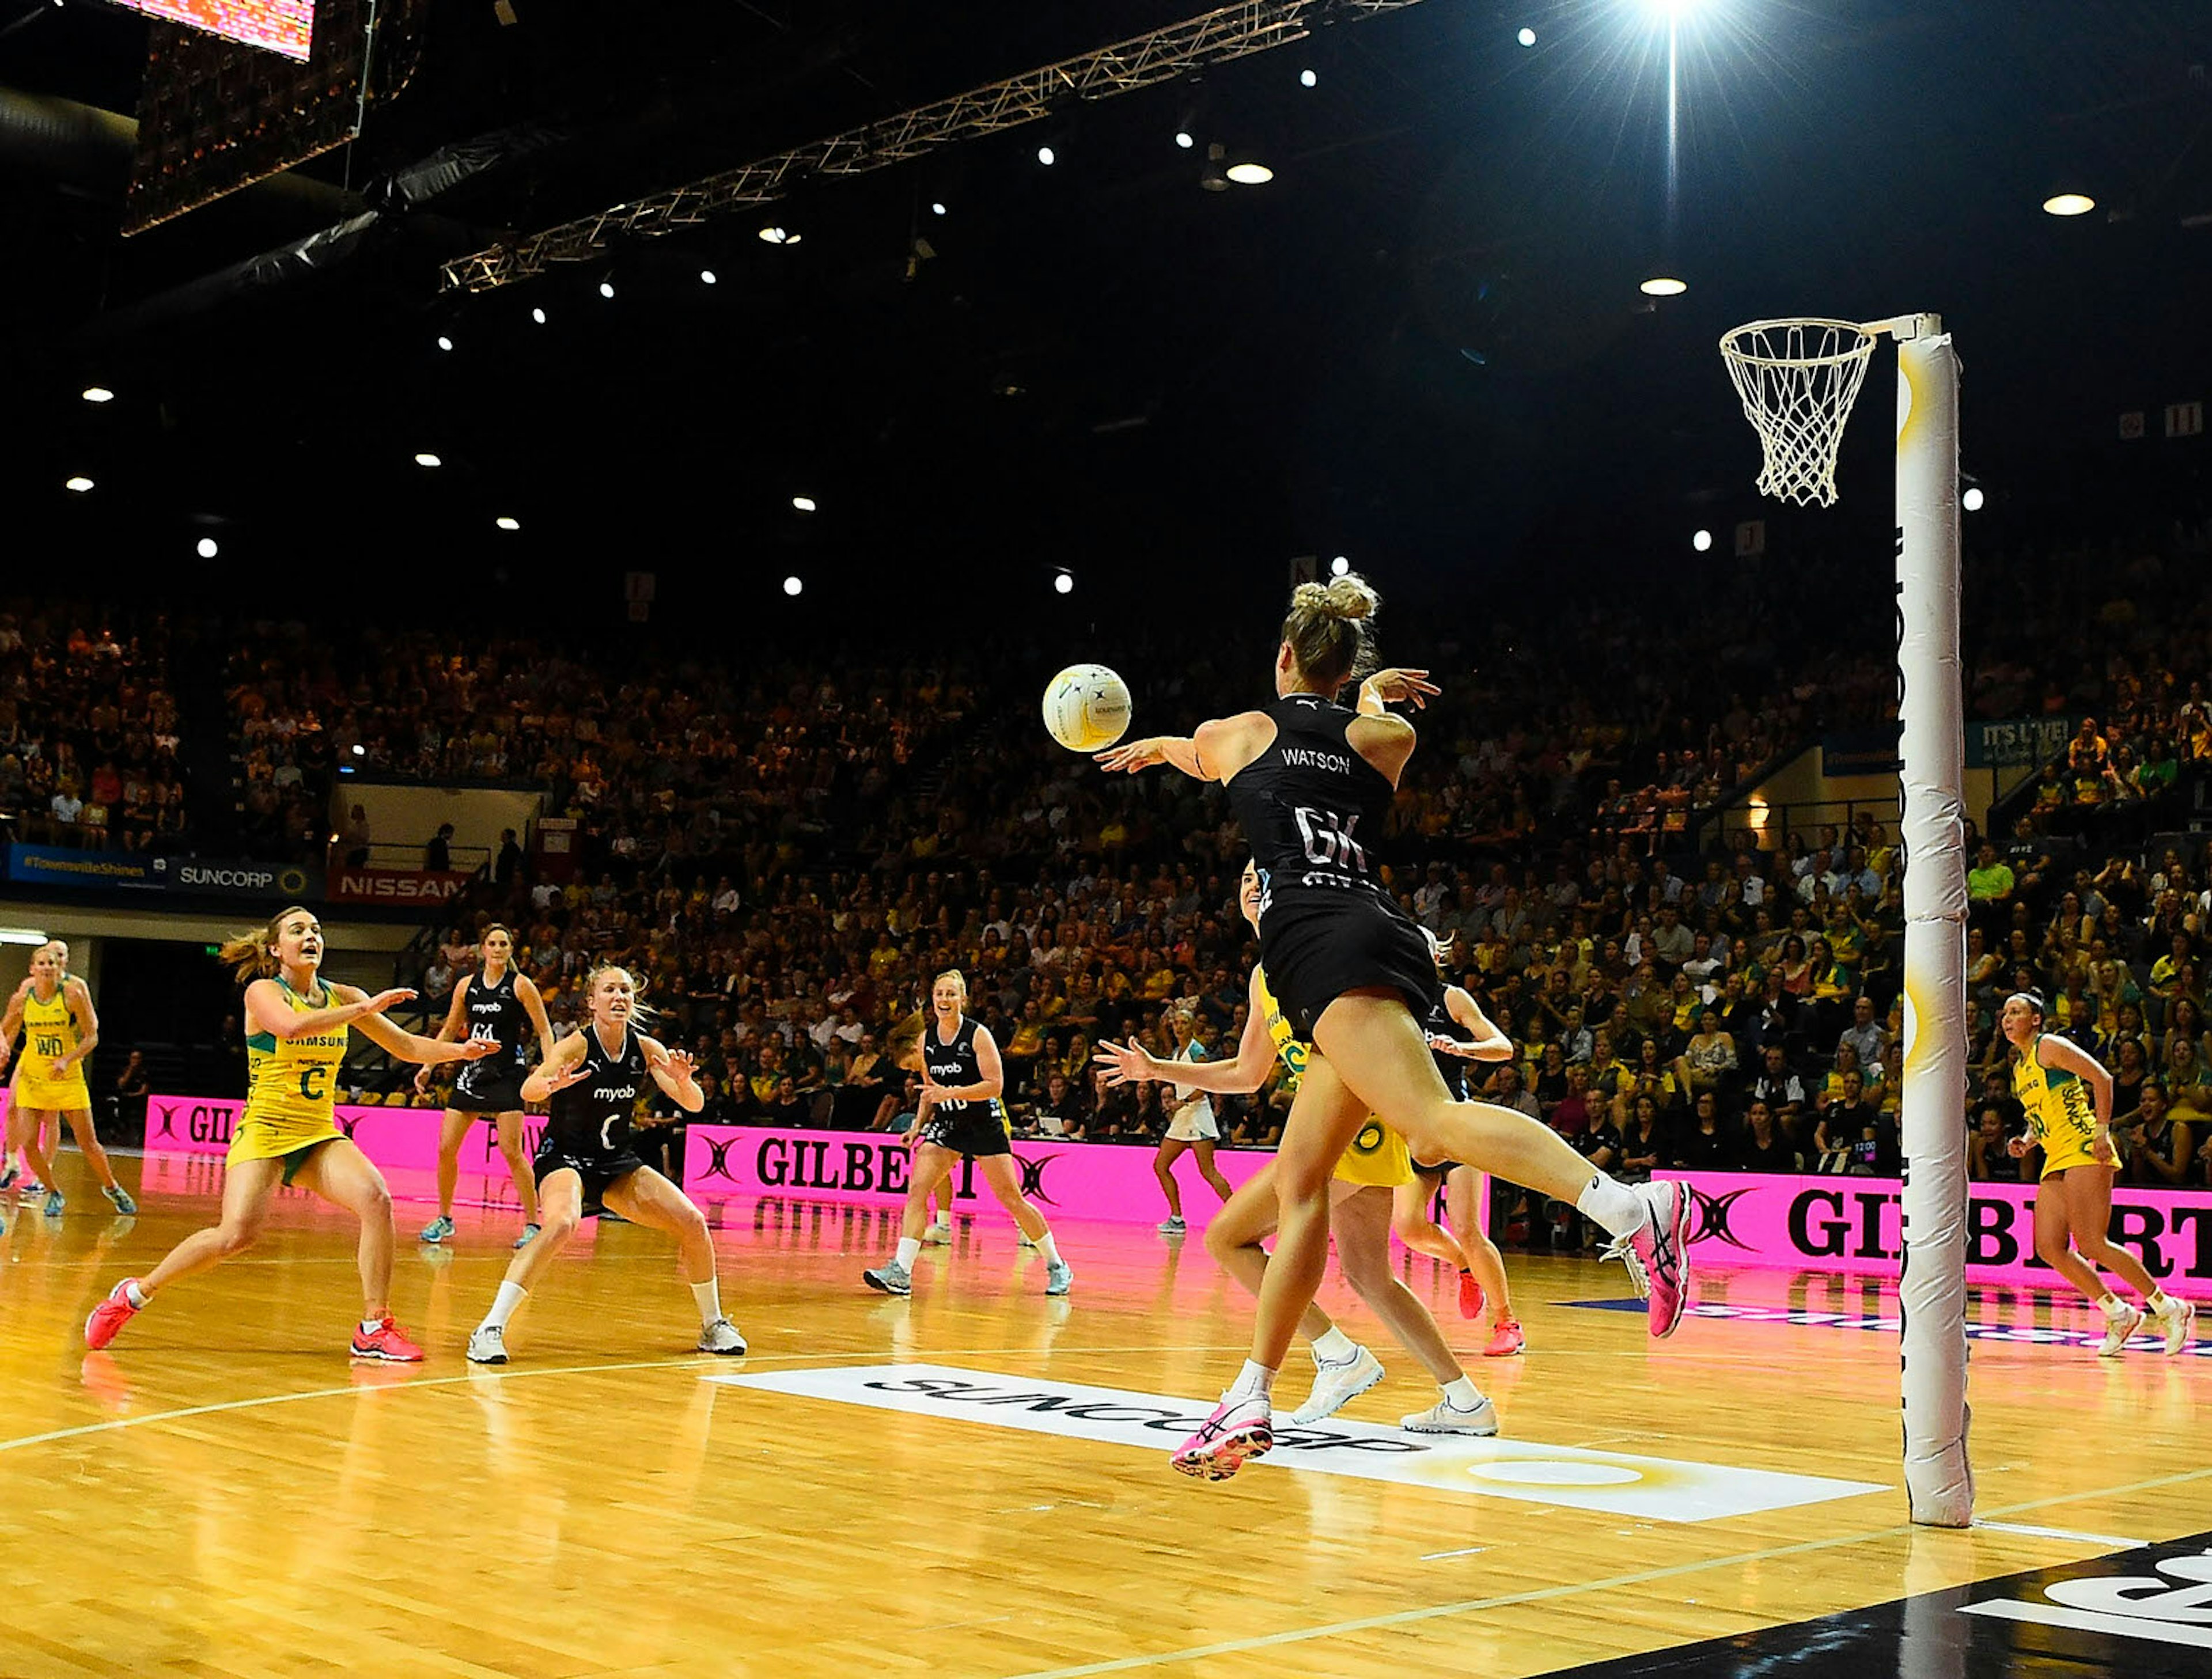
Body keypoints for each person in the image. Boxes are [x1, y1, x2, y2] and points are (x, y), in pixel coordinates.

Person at [1097, 574, 1687, 1480]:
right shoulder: (1386, 736)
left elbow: (1196, 751)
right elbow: (1348, 731)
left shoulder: (1238, 733)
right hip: (1380, 925)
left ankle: (1633, 1205)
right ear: (1349, 668)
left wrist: (1154, 746)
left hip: (1315, 941)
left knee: (1432, 1124)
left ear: (1285, 655)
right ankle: (1253, 1392)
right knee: (1298, 1186)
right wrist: (1366, 695)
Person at [1097, 862, 1505, 1441]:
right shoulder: (1268, 971)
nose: (1250, 883)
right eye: (1241, 877)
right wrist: (1157, 1068)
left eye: (1261, 874)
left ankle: (1337, 1355)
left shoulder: (1315, 951)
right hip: (1365, 1129)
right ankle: (1465, 1400)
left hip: (1352, 1125)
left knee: (1227, 1236)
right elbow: (1246, 1072)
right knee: (1369, 1275)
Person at [85, 906, 501, 1359]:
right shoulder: (263, 992)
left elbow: (404, 1045)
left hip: (316, 1132)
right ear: (275, 948)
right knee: (235, 1235)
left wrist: (458, 1049)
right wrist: (362, 1008)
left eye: (317, 930)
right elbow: (290, 1026)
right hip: (264, 1131)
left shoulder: (341, 995)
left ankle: (373, 1327)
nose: (311, 936)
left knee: (376, 1198)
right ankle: (134, 1295)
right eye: (298, 930)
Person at [465, 964, 744, 1363]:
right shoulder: (576, 1046)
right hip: (565, 1157)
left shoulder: (646, 1047)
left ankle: (714, 1325)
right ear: (592, 1002)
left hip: (616, 1163)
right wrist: (551, 1085)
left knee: (693, 1221)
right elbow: (528, 1088)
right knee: (562, 1223)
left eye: (626, 990)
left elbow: (694, 1103)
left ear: (634, 1000)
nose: (619, 996)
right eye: (610, 989)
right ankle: (489, 1329)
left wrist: (683, 1081)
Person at [2001, 990, 2195, 1356]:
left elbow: (2102, 1078)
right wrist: (2027, 1140)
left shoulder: (2050, 1046)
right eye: (2005, 1014)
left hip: (2085, 1146)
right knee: (2049, 1246)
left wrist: (2102, 1130)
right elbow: (2039, 1114)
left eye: (2016, 1012)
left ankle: (2168, 1306)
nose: (2007, 1020)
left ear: (2037, 1019)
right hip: (2055, 1153)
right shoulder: (2020, 1066)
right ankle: (2118, 1312)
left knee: (2091, 1241)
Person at [862, 971, 1073, 1298]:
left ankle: (1057, 1265)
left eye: (950, 994)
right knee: (917, 1190)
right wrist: (917, 1127)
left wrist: (953, 1092)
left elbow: (995, 1086)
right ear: (932, 1000)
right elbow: (929, 1090)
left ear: (962, 999)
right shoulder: (926, 1040)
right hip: (948, 1124)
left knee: (1011, 1199)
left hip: (983, 1123)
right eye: (939, 994)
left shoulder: (978, 1035)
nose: (944, 1000)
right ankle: (901, 1271)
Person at [415, 924, 557, 1249]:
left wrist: (548, 1073)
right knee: (445, 1148)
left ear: (510, 950)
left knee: (511, 1150)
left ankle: (534, 1224)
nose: (497, 949)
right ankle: (445, 1218)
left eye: (503, 944)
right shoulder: (467, 986)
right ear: (483, 949)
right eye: (492, 944)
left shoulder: (521, 986)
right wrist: (428, 1066)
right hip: (472, 1074)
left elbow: (545, 1031)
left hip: (508, 1074)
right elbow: (450, 1029)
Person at [0, 939, 134, 1215]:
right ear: (32, 969)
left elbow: (92, 1035)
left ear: (61, 965)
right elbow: (5, 1027)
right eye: (42, 963)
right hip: (35, 1076)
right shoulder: (23, 997)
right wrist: (3, 1045)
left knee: (88, 1143)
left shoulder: (72, 993)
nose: (48, 967)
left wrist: (67, 1059)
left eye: (52, 962)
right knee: (28, 1142)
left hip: (66, 1075)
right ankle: (53, 1192)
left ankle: (111, 1187)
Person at [1153, 1004, 1233, 1235]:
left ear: (1193, 1026)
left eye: (1184, 1023)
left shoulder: (1198, 1052)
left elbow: (1205, 1086)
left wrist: (1184, 1102)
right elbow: (1163, 1034)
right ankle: (1177, 1218)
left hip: (1197, 1114)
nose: (1178, 1027)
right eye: (1176, 1023)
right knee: (1161, 1166)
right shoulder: (1177, 1051)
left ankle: (1236, 1215)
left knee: (1208, 1171)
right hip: (1183, 1116)